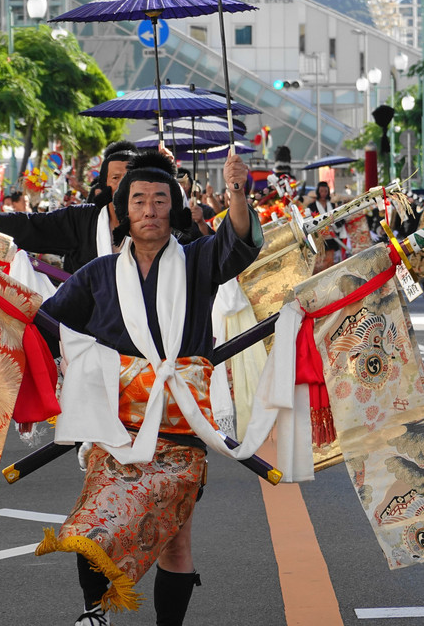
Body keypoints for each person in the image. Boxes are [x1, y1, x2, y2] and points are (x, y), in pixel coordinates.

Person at [37, 151, 263, 626]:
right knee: (97, 517)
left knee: (176, 539)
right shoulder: (97, 276)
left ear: (173, 209)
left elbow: (238, 239)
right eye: (138, 200)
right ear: (123, 210)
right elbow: (45, 326)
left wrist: (237, 191)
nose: (150, 209)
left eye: (161, 200)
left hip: (181, 426)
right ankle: (93, 612)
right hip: (114, 425)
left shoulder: (199, 260)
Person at [0, 141, 138, 273]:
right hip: (88, 323)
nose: (123, 184)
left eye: (129, 176)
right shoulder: (83, 219)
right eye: (115, 177)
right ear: (103, 186)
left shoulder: (158, 220)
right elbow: (31, 225)